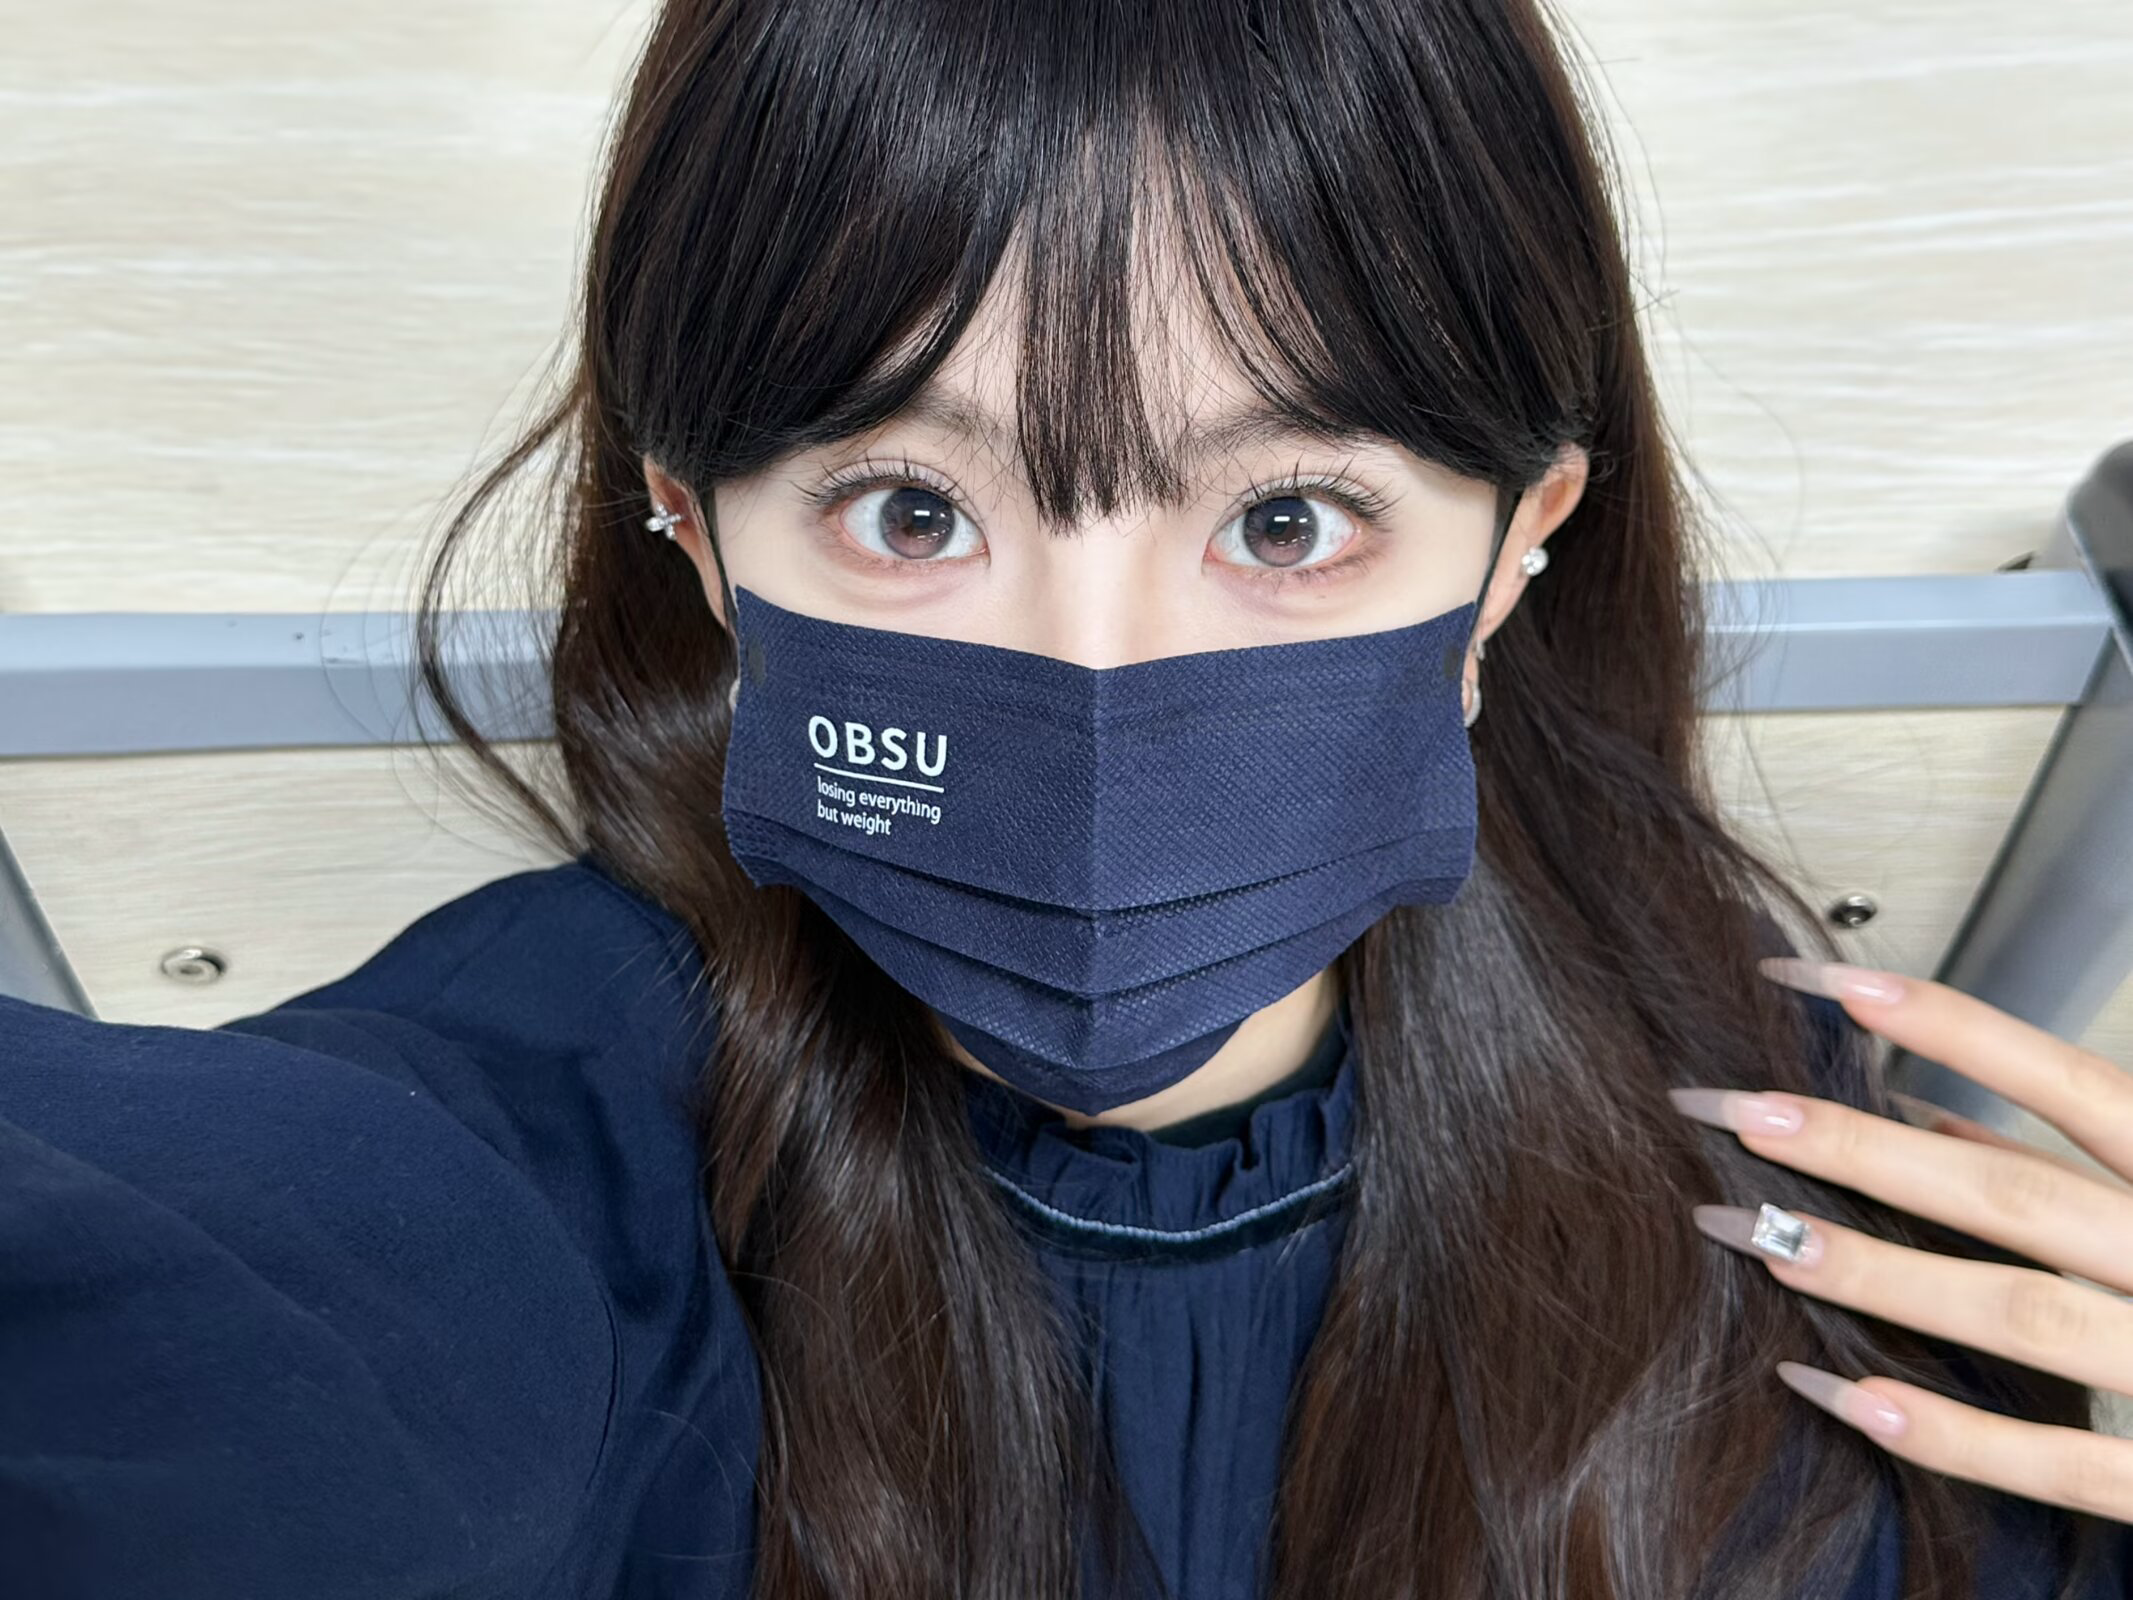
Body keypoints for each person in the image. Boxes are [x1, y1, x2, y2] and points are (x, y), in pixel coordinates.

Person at [4, 0, 2131, 1595]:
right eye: (911, 509)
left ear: (1514, 550)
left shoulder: (1817, 1181)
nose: (1097, 684)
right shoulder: (528, 1142)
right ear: (700, 534)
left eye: (1287, 518)